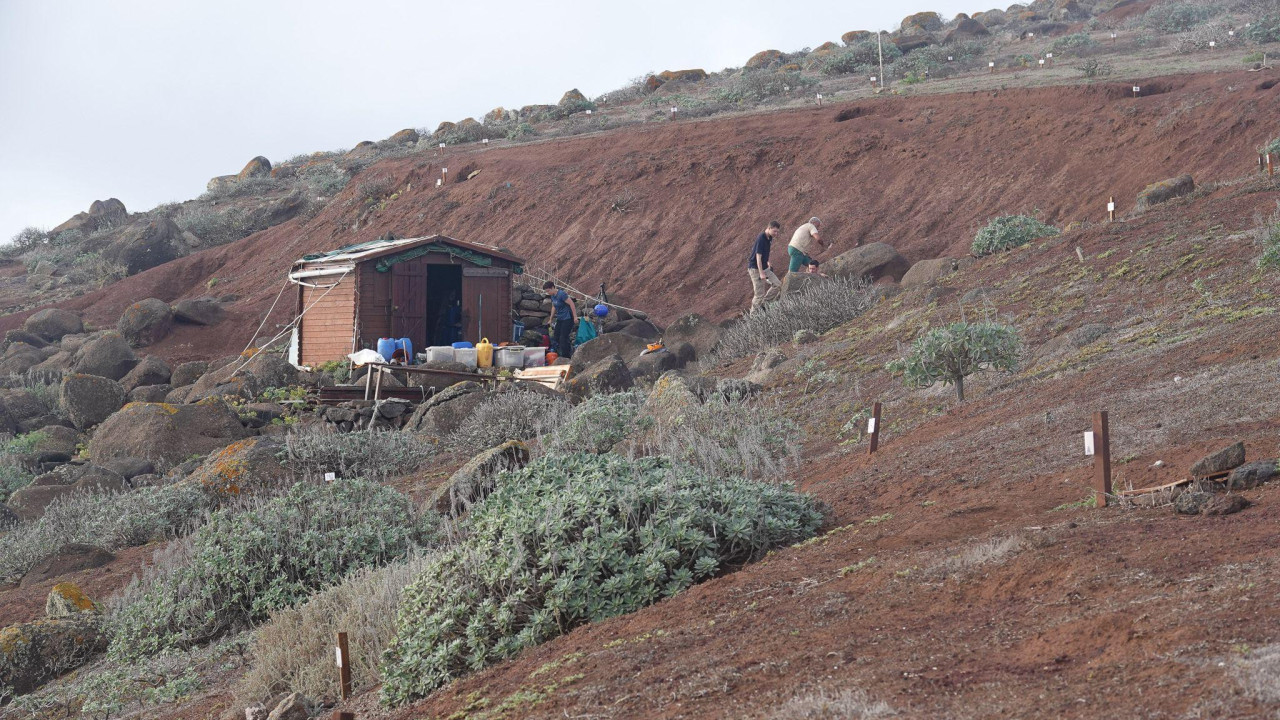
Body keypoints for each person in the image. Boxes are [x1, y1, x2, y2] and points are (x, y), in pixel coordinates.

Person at [747, 220, 783, 313]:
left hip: (764, 266)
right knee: (759, 294)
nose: (776, 233)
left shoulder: (769, 238)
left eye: (777, 231)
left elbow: (765, 253)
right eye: (774, 231)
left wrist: (767, 262)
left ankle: (764, 304)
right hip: (755, 269)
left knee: (777, 284)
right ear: (769, 228)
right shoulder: (761, 238)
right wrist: (761, 273)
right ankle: (752, 317)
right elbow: (758, 257)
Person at [544, 281, 578, 359]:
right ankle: (565, 350)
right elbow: (554, 307)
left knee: (563, 337)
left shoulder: (562, 294)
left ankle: (566, 357)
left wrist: (575, 317)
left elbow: (571, 304)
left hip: (568, 318)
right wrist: (550, 319)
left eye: (548, 290)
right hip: (560, 318)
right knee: (556, 336)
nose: (548, 292)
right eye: (546, 291)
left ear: (553, 287)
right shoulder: (552, 296)